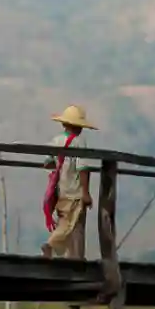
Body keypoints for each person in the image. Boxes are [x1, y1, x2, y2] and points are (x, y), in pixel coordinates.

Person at [41, 104, 97, 259]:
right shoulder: (79, 143)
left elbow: (48, 162)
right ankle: (72, 256)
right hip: (75, 192)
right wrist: (86, 193)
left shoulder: (56, 141)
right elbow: (83, 169)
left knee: (64, 222)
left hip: (60, 191)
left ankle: (66, 254)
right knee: (75, 225)